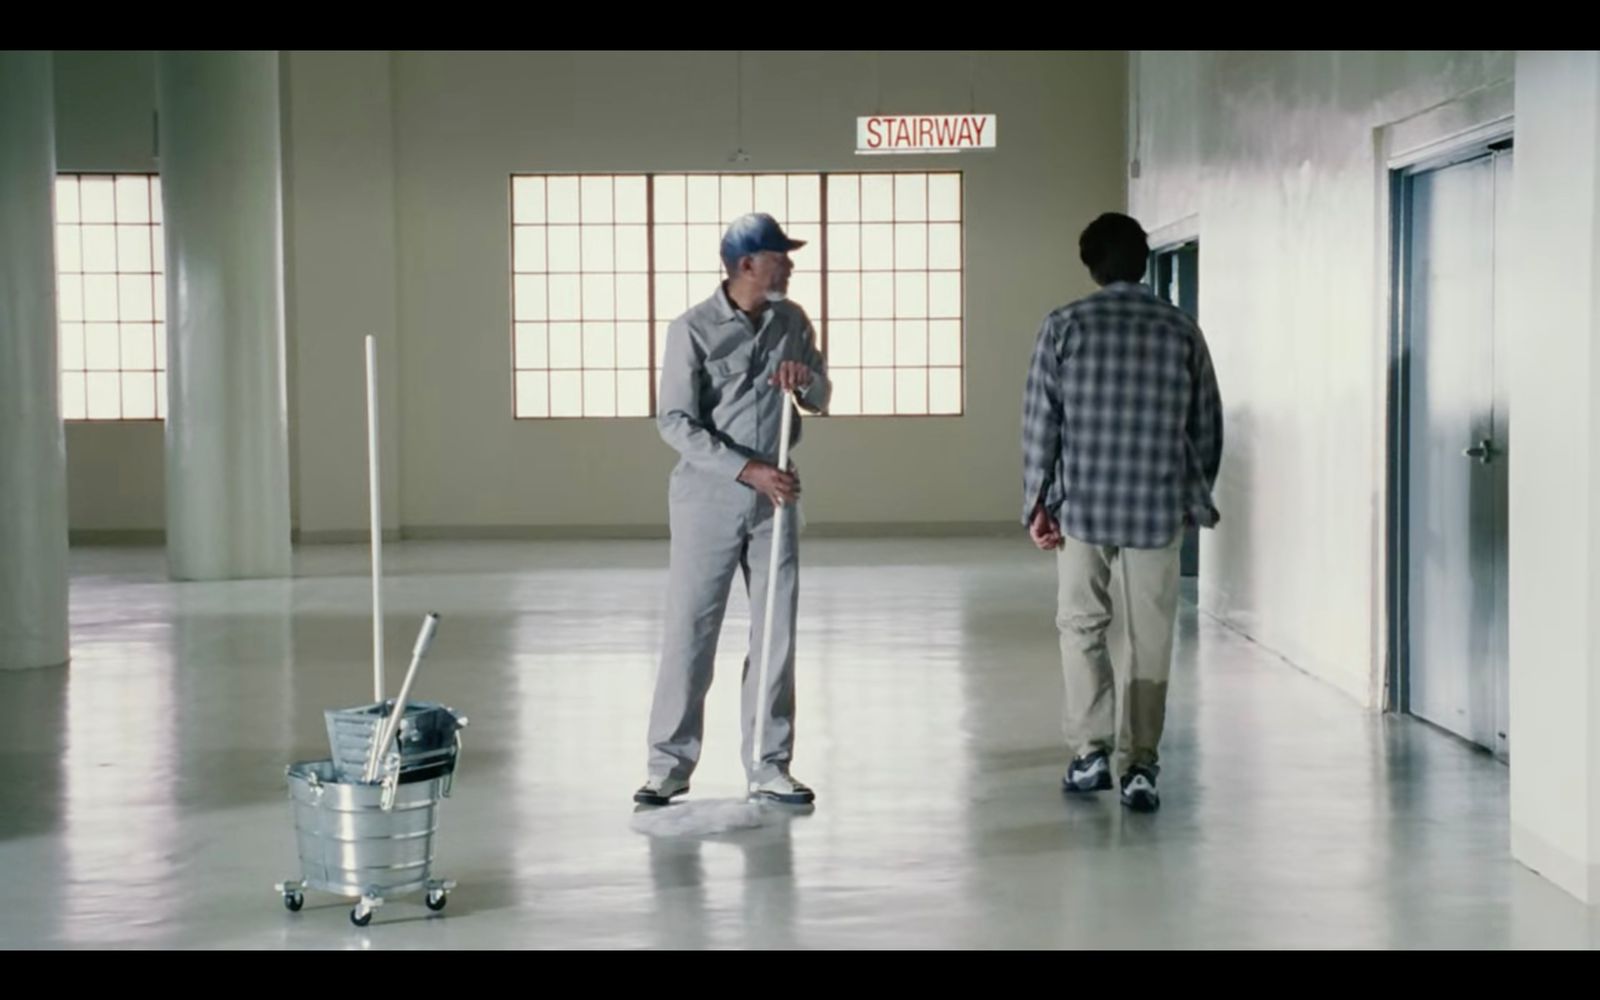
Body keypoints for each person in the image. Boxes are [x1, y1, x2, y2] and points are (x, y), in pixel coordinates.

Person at [1020, 212, 1224, 813]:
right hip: (1156, 507)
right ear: (1142, 263)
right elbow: (1207, 425)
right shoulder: (1180, 329)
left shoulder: (1065, 325)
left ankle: (1089, 753)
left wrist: (1037, 501)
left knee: (1081, 626)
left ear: (1092, 265)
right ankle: (1140, 766)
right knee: (1150, 635)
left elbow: (1041, 423)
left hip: (1083, 504)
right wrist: (1191, 495)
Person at [635, 213, 831, 807]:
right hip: (708, 499)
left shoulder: (791, 321)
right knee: (692, 630)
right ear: (747, 264)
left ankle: (770, 765)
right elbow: (674, 421)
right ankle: (668, 765)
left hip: (777, 501)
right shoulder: (691, 330)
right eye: (780, 256)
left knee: (776, 633)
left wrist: (805, 385)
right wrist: (746, 469)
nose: (790, 265)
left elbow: (822, 396)